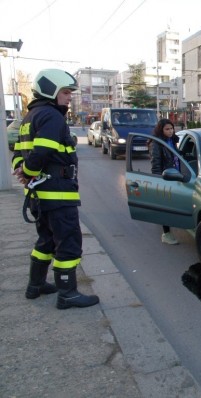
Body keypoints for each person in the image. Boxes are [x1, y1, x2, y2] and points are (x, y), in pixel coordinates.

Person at [12, 69, 99, 309]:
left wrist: (23, 171)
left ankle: (36, 285)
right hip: (58, 193)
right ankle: (67, 294)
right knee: (69, 242)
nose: (70, 97)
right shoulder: (52, 116)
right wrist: (29, 171)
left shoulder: (30, 117)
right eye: (66, 92)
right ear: (51, 90)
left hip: (40, 195)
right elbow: (43, 150)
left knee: (46, 240)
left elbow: (18, 152)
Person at [150, 118, 180, 245]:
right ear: (161, 130)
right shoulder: (156, 144)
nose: (170, 131)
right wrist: (160, 181)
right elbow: (156, 165)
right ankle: (166, 234)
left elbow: (176, 156)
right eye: (167, 129)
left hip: (177, 176)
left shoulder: (172, 140)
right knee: (166, 206)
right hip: (166, 177)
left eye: (172, 128)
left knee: (173, 205)